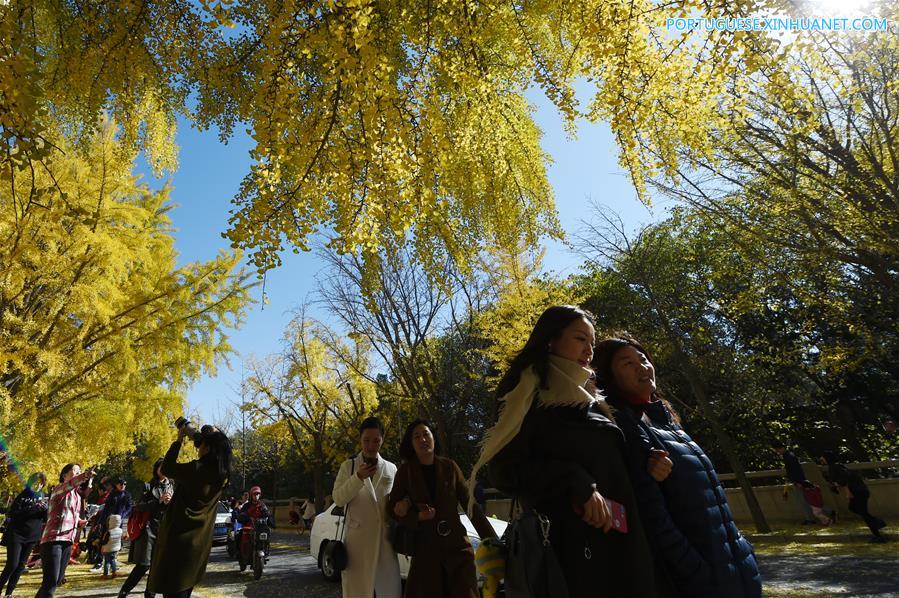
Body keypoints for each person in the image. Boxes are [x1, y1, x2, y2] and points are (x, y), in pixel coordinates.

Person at [468, 305, 661, 598]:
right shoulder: (525, 392)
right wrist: (575, 482)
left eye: (592, 343)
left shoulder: (593, 394)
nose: (589, 350)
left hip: (624, 540)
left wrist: (648, 460)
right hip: (571, 555)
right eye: (580, 339)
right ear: (550, 339)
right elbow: (503, 470)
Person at [593, 334, 761, 597]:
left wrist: (743, 550)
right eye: (627, 363)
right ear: (609, 377)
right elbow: (654, 517)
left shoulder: (669, 422)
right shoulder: (627, 428)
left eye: (643, 358)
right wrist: (694, 571)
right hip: (702, 580)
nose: (642, 366)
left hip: (736, 570)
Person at [388, 419, 496, 598]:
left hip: (457, 550)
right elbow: (392, 509)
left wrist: (492, 541)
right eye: (416, 436)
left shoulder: (450, 467)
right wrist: (417, 517)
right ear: (411, 444)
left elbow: (471, 505)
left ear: (433, 438)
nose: (422, 439)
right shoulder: (405, 472)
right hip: (425, 554)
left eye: (426, 434)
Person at [146, 425, 231, 597]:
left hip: (179, 538)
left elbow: (166, 469)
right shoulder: (223, 474)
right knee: (185, 587)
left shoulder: (196, 469)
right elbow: (221, 447)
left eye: (201, 445)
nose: (198, 447)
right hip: (199, 542)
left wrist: (179, 440)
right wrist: (208, 436)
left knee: (172, 588)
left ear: (207, 448)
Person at [331, 417, 401, 598]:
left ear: (382, 440)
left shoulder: (391, 469)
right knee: (357, 592)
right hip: (357, 544)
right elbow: (338, 499)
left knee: (389, 591)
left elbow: (396, 501)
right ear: (360, 440)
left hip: (385, 542)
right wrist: (358, 478)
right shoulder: (349, 466)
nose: (371, 445)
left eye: (376, 440)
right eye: (366, 440)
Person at [35, 463, 95, 598]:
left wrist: (82, 522)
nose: (78, 473)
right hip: (53, 540)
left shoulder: (77, 497)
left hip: (68, 541)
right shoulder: (58, 489)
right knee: (50, 582)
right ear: (64, 475)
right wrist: (85, 475)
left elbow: (74, 517)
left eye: (80, 471)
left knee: (56, 581)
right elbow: (72, 483)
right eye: (75, 471)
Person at [118, 458, 174, 598]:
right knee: (144, 565)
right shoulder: (148, 486)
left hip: (165, 528)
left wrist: (171, 502)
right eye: (162, 467)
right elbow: (139, 506)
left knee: (158, 565)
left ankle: (150, 594)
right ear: (156, 469)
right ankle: (125, 590)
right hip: (148, 528)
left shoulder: (173, 485)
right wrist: (158, 501)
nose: (165, 469)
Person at [821, 451, 888, 543]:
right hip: (861, 490)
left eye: (823, 457)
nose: (821, 459)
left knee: (863, 514)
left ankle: (878, 535)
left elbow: (843, 480)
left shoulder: (833, 467)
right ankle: (877, 522)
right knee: (853, 508)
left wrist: (848, 492)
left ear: (827, 458)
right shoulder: (839, 466)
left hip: (857, 492)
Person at [0, 472, 48, 597]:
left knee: (21, 566)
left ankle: (9, 593)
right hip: (17, 534)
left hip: (32, 536)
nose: (38, 486)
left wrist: (45, 510)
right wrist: (33, 508)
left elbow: (45, 519)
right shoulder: (22, 496)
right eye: (35, 483)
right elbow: (14, 514)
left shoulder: (43, 497)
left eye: (41, 483)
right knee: (12, 564)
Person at [772, 441, 830, 525]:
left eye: (777, 450)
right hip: (799, 481)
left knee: (806, 500)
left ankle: (811, 519)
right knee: (809, 500)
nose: (777, 452)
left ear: (781, 448)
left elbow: (796, 470)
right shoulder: (788, 456)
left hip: (799, 481)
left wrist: (797, 482)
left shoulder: (789, 457)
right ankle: (822, 514)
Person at [91, 477, 133, 571]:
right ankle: (99, 562)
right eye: (121, 484)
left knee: (117, 542)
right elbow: (106, 508)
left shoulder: (127, 495)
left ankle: (114, 561)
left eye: (124, 484)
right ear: (116, 485)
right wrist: (100, 522)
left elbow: (129, 507)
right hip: (108, 520)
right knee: (104, 539)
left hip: (119, 521)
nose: (122, 486)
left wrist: (121, 516)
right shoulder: (112, 494)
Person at [100, 514, 123, 579]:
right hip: (115, 548)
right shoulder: (120, 530)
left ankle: (105, 574)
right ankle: (114, 572)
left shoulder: (108, 532)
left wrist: (101, 547)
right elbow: (121, 539)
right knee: (113, 560)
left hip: (108, 549)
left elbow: (105, 541)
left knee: (107, 562)